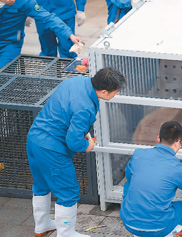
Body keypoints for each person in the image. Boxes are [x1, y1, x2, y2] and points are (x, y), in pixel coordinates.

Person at [27, 67, 126, 237]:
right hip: (52, 149)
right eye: (115, 91)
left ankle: (42, 225)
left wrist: (84, 134)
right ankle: (66, 233)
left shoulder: (76, 81)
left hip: (35, 139)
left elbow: (65, 113)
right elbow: (73, 141)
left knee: (41, 185)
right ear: (103, 91)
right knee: (69, 192)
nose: (116, 94)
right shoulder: (85, 107)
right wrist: (87, 145)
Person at [120, 121, 182, 237]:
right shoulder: (178, 168)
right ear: (178, 142)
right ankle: (167, 234)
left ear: (158, 138)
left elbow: (129, 176)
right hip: (158, 227)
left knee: (129, 187)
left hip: (129, 221)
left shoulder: (138, 154)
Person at [0, 0, 83, 72]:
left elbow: (47, 17)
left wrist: (69, 34)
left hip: (10, 43)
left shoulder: (24, 2)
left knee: (3, 74)